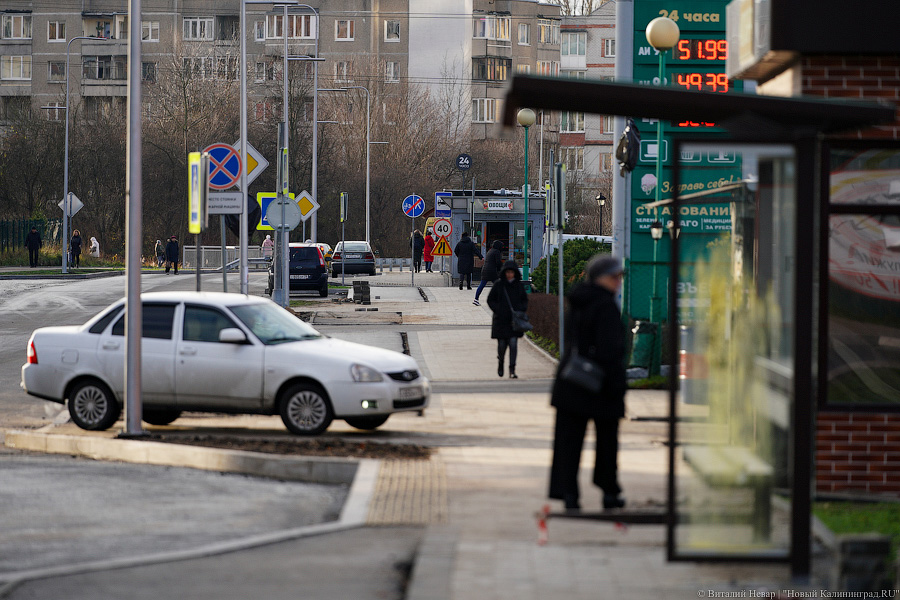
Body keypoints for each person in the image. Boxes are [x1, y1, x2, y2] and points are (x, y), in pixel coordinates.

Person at [548, 255, 628, 512]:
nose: (618, 282)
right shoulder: (605, 305)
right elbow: (611, 350)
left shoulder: (578, 300)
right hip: (602, 383)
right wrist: (618, 385)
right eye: (614, 277)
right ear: (600, 278)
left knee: (568, 441)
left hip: (572, 379)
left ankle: (569, 494)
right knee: (607, 440)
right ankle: (608, 492)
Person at [486, 261, 528, 379]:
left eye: (512, 272)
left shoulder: (518, 286)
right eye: (508, 272)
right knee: (502, 345)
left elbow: (524, 300)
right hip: (500, 321)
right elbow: (490, 300)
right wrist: (498, 309)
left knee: (513, 344)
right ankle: (501, 362)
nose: (510, 275)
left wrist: (521, 310)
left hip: (513, 322)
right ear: (505, 273)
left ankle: (512, 369)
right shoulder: (499, 285)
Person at [473, 239, 504, 306]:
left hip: (485, 270)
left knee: (481, 285)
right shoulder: (497, 252)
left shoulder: (490, 251)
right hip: (492, 271)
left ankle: (476, 299)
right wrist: (501, 270)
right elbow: (498, 263)